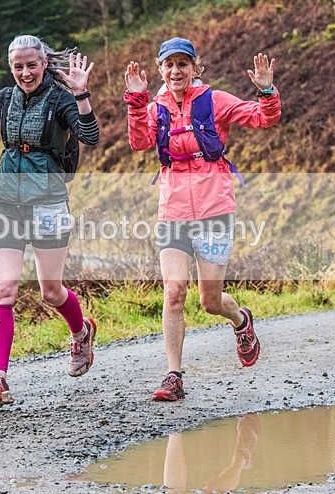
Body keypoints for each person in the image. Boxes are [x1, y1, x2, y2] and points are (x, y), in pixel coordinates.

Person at [124, 37, 281, 401]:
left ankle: (240, 320)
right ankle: (173, 376)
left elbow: (263, 118)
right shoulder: (155, 106)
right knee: (174, 292)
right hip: (173, 210)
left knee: (210, 302)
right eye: (169, 65)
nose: (176, 71)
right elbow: (139, 142)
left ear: (195, 68)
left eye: (183, 64)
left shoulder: (215, 100)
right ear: (161, 69)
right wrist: (136, 103)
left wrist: (267, 90)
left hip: (214, 209)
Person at [0, 35, 101, 407]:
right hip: (6, 201)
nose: (25, 72)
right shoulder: (5, 98)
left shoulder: (60, 99)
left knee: (50, 292)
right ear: (11, 68)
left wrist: (82, 95)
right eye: (18, 66)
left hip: (49, 202)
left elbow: (91, 135)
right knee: (5, 287)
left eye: (31, 65)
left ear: (43, 64)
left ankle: (81, 331)